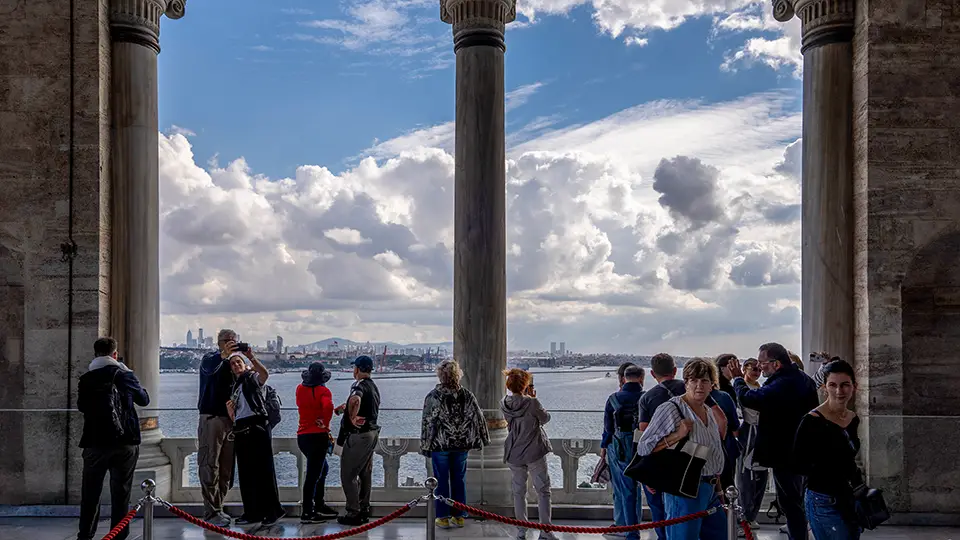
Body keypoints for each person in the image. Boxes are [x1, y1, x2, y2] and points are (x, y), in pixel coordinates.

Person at [728, 342, 819, 540]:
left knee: (791, 503)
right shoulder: (803, 380)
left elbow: (749, 399)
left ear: (776, 364)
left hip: (786, 454)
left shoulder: (784, 383)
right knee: (795, 501)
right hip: (801, 451)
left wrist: (737, 379)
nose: (759, 367)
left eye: (762, 363)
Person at [635, 358, 728, 540]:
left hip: (709, 489)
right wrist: (677, 435)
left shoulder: (708, 411)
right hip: (684, 489)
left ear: (712, 385)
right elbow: (644, 447)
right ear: (686, 383)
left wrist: (719, 491)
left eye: (704, 381)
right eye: (693, 380)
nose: (699, 386)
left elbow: (713, 454)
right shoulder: (671, 409)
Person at [77, 337, 150, 540]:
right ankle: (118, 535)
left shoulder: (86, 379)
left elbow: (82, 406)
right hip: (124, 441)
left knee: (90, 493)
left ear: (95, 354)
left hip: (94, 441)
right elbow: (144, 399)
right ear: (115, 354)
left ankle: (85, 535)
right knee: (121, 492)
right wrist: (129, 375)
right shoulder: (124, 375)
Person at [793, 360, 863, 540]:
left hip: (848, 496)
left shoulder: (852, 418)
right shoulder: (811, 420)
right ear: (824, 387)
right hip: (823, 498)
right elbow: (798, 463)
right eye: (833, 385)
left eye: (845, 385)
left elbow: (849, 458)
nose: (839, 391)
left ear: (854, 387)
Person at [420, 360, 490, 529]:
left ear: (440, 375)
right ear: (457, 375)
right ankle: (459, 516)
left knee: (441, 480)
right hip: (461, 445)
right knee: (459, 479)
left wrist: (425, 446)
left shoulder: (433, 396)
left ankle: (443, 517)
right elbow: (478, 418)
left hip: (440, 445)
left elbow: (428, 423)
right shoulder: (467, 395)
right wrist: (483, 440)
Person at [226, 349, 284, 526]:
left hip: (257, 427)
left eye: (239, 362)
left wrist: (251, 356)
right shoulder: (235, 387)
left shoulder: (251, 378)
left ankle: (272, 511)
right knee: (246, 474)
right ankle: (252, 511)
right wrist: (230, 413)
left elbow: (264, 375)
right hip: (242, 428)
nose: (236, 365)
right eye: (233, 363)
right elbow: (239, 413)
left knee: (263, 472)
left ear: (245, 365)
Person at [501, 368, 559, 540]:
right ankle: (545, 530)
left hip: (514, 451)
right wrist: (532, 397)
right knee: (543, 491)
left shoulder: (503, 403)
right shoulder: (532, 403)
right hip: (534, 451)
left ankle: (521, 530)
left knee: (519, 492)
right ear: (525, 384)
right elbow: (545, 419)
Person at [196, 329, 240, 526]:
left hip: (230, 421)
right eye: (227, 341)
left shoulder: (234, 363)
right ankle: (211, 511)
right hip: (212, 418)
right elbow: (209, 370)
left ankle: (218, 507)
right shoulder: (210, 359)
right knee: (209, 465)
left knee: (226, 468)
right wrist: (223, 356)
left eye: (234, 341)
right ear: (219, 342)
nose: (231, 343)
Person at [600, 365, 645, 540]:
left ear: (624, 379)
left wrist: (604, 448)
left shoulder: (613, 399)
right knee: (640, 489)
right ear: (641, 378)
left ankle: (630, 529)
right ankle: (638, 525)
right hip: (643, 447)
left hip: (618, 449)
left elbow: (608, 429)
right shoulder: (647, 398)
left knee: (624, 490)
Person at [335, 355, 382, 526]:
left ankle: (353, 513)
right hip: (371, 433)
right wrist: (344, 408)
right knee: (364, 473)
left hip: (359, 436)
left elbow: (356, 399)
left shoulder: (358, 385)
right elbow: (361, 403)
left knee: (348, 475)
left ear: (357, 369)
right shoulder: (373, 386)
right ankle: (363, 509)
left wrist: (351, 417)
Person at [296, 362, 338, 523]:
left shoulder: (300, 389)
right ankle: (308, 511)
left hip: (303, 436)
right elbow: (328, 406)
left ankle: (319, 504)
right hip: (317, 436)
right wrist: (325, 423)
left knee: (322, 469)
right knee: (313, 475)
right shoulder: (324, 391)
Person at [735, 358, 768, 531]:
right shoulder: (741, 389)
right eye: (753, 369)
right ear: (744, 369)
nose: (756, 372)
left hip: (761, 433)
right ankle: (743, 516)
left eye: (759, 369)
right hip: (747, 433)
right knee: (745, 476)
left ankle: (752, 514)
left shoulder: (761, 389)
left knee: (761, 475)